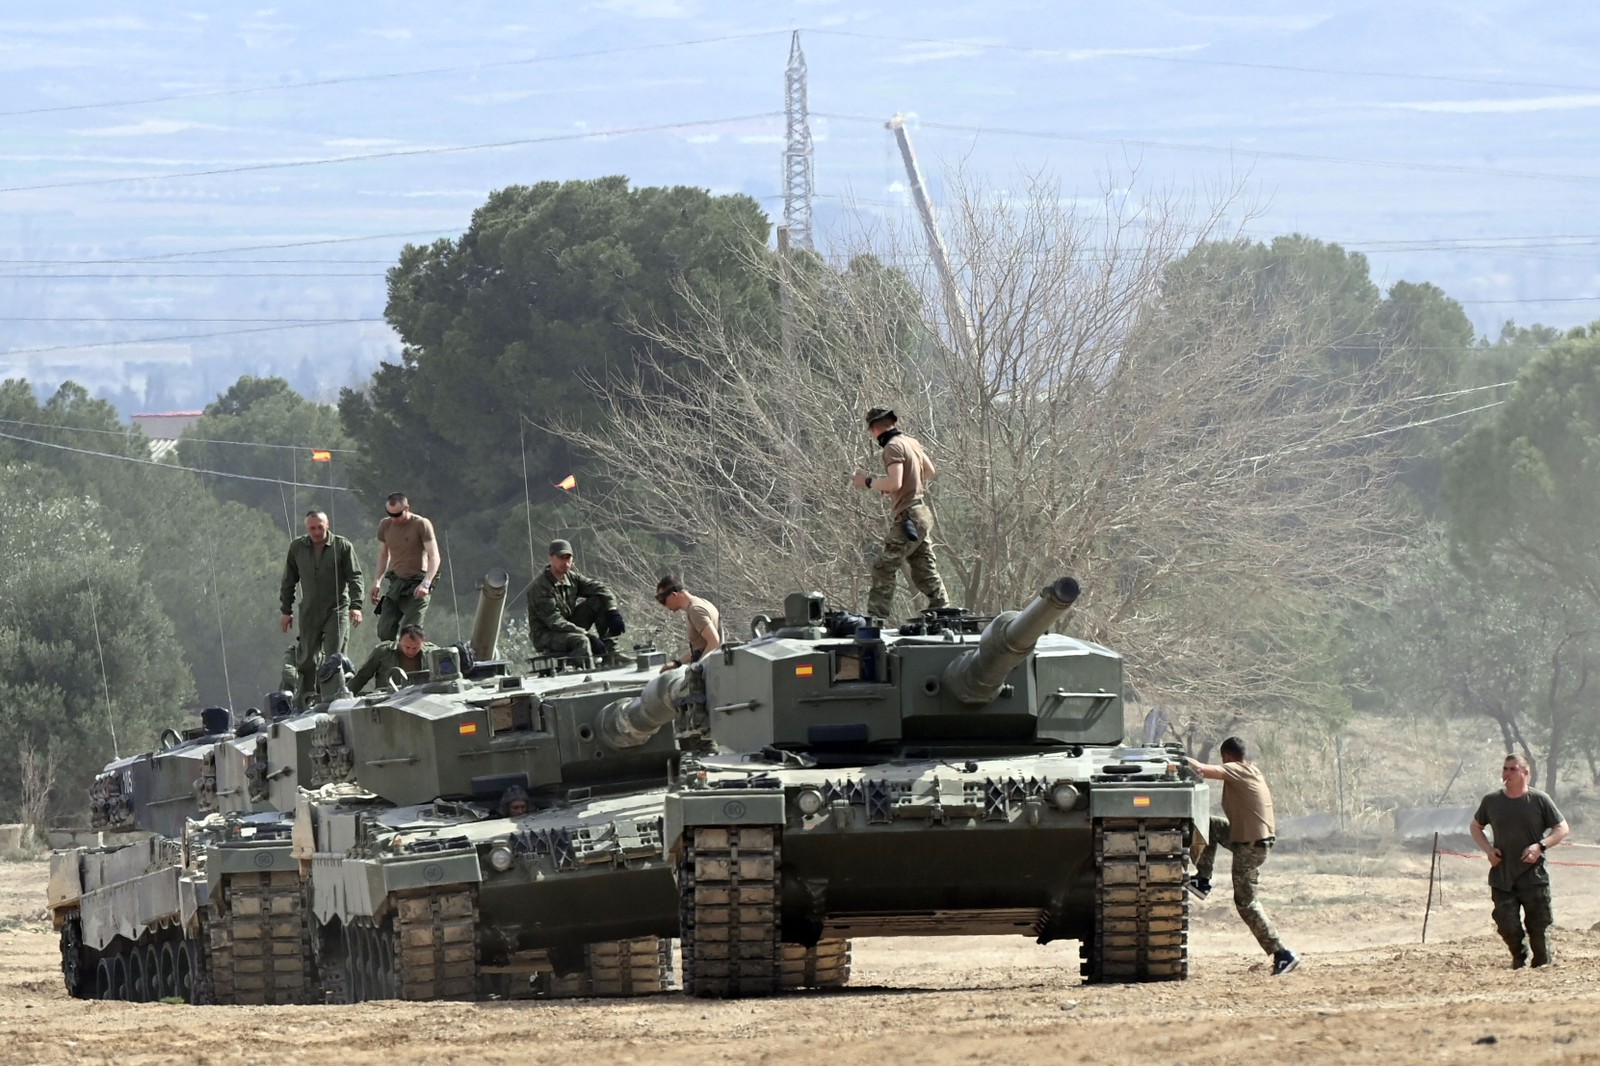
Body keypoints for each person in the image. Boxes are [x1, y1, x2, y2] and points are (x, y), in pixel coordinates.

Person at [1187, 737, 1300, 976]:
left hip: (1251, 846)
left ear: (1227, 756)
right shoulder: (1251, 769)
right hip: (1248, 839)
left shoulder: (1236, 769)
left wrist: (1174, 756)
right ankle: (1202, 880)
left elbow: (1200, 769)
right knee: (1209, 825)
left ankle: (1282, 954)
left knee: (1246, 903)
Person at [1470, 754, 1569, 968]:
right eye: (1505, 769)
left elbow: (1562, 828)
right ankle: (1519, 957)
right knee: (1506, 923)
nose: (1507, 774)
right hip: (1502, 875)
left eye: (1513, 769)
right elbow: (1475, 827)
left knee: (1539, 925)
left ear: (1526, 773)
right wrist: (1488, 850)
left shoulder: (1539, 800)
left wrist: (1540, 846)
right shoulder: (1492, 800)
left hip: (1533, 875)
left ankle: (1541, 963)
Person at [851, 406, 950, 619]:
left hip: (908, 517)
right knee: (923, 567)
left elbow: (894, 482)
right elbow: (930, 471)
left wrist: (867, 482)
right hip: (921, 513)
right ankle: (943, 610)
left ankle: (875, 617)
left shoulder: (892, 448)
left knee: (884, 567)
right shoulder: (911, 442)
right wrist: (911, 483)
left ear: (874, 429)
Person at [279, 509, 364, 706]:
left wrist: (356, 605)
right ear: (307, 528)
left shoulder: (341, 546)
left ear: (328, 525)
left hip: (337, 607)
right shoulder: (297, 548)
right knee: (307, 656)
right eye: (312, 528)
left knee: (334, 654)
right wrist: (286, 610)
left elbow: (355, 576)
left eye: (319, 527)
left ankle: (332, 695)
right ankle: (305, 698)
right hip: (309, 609)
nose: (316, 531)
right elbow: (289, 580)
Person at [527, 539, 627, 667]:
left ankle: (612, 654)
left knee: (599, 600)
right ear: (551, 558)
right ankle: (587, 671)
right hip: (546, 635)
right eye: (561, 558)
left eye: (568, 558)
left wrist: (613, 611)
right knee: (581, 641)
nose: (565, 562)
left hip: (568, 627)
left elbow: (602, 589)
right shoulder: (541, 587)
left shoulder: (572, 578)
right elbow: (554, 621)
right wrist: (586, 633)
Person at [369, 492, 440, 642]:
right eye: (391, 514)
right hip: (396, 584)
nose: (394, 518)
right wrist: (377, 582)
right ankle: (393, 657)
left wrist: (426, 584)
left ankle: (413, 659)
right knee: (384, 631)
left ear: (407, 508)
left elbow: (434, 556)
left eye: (398, 514)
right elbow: (383, 555)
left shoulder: (420, 524)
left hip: (417, 584)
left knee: (411, 633)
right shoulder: (385, 525)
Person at [656, 575, 721, 671]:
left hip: (709, 672)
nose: (664, 605)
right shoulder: (701, 603)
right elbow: (700, 646)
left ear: (674, 595)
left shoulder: (695, 610)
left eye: (663, 600)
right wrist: (677, 663)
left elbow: (714, 642)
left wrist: (698, 667)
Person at [349, 624, 438, 693]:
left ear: (423, 643)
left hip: (421, 699)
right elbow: (362, 677)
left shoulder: (433, 653)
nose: (410, 651)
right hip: (388, 701)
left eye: (415, 648)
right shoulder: (383, 652)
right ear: (400, 641)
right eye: (407, 647)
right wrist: (345, 695)